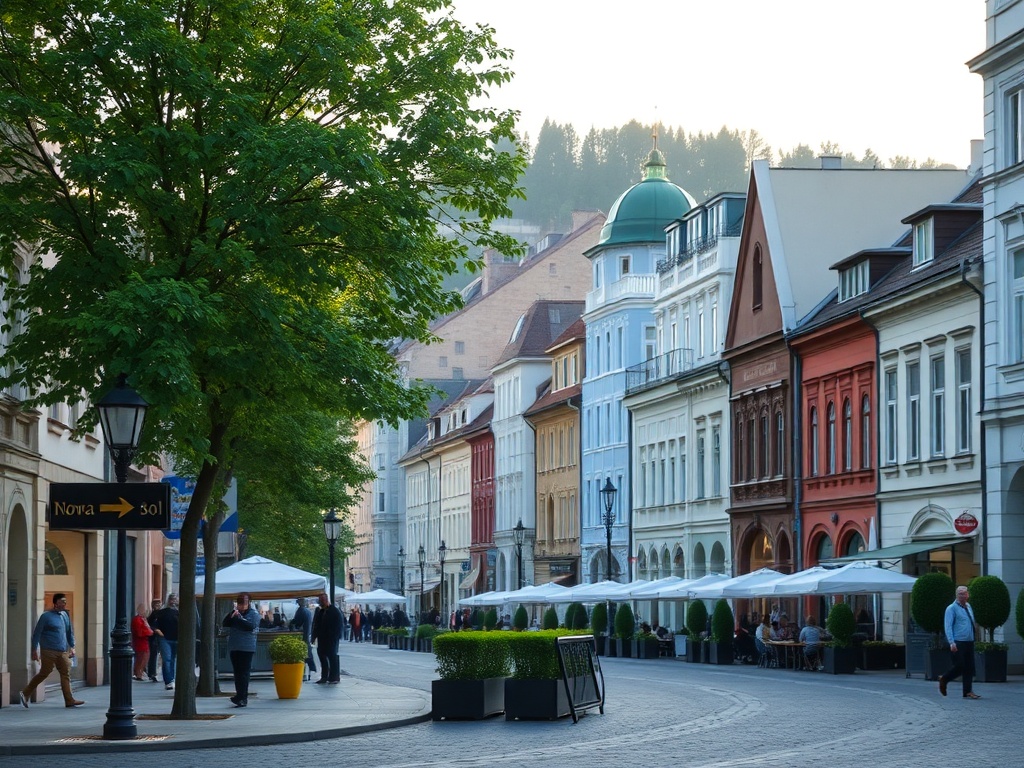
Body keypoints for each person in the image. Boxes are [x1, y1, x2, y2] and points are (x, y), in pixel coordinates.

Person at [21, 593, 84, 708]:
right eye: (62, 601)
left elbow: (69, 632)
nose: (64, 603)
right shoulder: (46, 616)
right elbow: (37, 633)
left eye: (65, 601)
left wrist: (73, 647)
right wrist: (34, 649)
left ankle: (69, 700)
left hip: (63, 651)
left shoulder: (65, 615)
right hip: (48, 650)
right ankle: (25, 693)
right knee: (44, 673)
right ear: (56, 603)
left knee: (65, 674)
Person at [939, 585, 981, 699]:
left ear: (968, 595)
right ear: (956, 595)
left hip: (969, 641)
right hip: (958, 642)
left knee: (969, 667)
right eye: (960, 594)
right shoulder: (951, 608)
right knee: (960, 666)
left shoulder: (968, 606)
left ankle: (967, 691)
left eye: (964, 593)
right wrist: (952, 642)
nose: (962, 596)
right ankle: (944, 679)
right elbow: (948, 626)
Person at [223, 592, 260, 707]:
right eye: (239, 602)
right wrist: (232, 616)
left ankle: (243, 697)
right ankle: (239, 695)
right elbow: (225, 623)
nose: (241, 605)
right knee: (237, 673)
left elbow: (249, 626)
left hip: (246, 647)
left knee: (243, 673)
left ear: (249, 603)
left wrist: (238, 618)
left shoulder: (253, 614)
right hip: (234, 646)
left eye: (243, 602)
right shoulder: (235, 613)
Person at [150, 593, 180, 690]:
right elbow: (152, 622)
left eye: (175, 599)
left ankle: (172, 679)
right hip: (165, 638)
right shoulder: (161, 612)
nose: (173, 601)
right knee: (167, 659)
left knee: (172, 660)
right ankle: (169, 680)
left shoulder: (180, 612)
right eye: (171, 599)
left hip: (176, 638)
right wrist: (157, 630)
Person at [311, 593, 342, 684]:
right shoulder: (320, 611)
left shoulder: (334, 611)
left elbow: (338, 626)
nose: (320, 602)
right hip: (322, 639)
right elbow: (316, 625)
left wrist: (334, 637)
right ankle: (324, 676)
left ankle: (334, 677)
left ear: (326, 600)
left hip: (331, 639)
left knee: (332, 657)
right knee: (322, 657)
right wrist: (314, 636)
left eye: (322, 600)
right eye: (320, 601)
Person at [290, 597, 316, 675]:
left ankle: (310, 667)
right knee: (307, 650)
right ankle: (311, 667)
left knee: (305, 651)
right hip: (307, 633)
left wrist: (292, 623)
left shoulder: (301, 611)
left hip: (303, 633)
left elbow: (297, 622)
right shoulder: (307, 611)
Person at [131, 603, 154, 681]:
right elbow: (140, 632)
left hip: (143, 642)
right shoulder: (138, 619)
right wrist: (149, 631)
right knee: (142, 658)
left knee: (143, 658)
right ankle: (138, 674)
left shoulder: (142, 619)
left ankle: (139, 673)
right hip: (141, 642)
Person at [146, 597, 162, 682]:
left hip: (157, 637)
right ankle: (152, 673)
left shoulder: (160, 614)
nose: (158, 605)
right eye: (156, 604)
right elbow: (149, 626)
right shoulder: (153, 615)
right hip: (154, 638)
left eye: (159, 604)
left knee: (156, 656)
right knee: (153, 655)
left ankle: (154, 673)